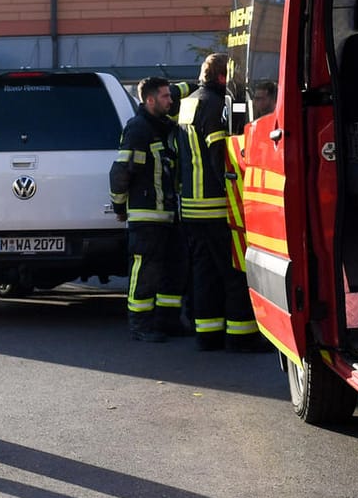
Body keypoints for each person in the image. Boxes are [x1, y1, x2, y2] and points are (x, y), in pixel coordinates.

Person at [175, 53, 263, 351]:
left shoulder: (189, 103)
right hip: (215, 204)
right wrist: (233, 186)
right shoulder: (214, 104)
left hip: (191, 204)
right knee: (233, 271)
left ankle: (208, 336)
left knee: (204, 273)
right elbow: (217, 154)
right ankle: (240, 337)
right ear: (223, 76)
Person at [109, 76, 185, 341]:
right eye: (165, 96)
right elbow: (120, 172)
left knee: (172, 270)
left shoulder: (164, 127)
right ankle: (140, 324)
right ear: (150, 100)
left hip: (168, 214)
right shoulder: (138, 129)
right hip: (146, 215)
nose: (170, 100)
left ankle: (167, 322)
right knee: (146, 271)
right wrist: (119, 205)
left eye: (169, 95)